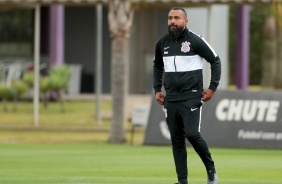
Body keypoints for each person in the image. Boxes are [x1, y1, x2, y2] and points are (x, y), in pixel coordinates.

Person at [153, 7, 221, 184]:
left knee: (192, 134)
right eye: (169, 18)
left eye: (176, 18)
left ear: (185, 21)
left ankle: (211, 169)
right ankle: (182, 181)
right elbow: (157, 67)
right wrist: (157, 89)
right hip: (171, 98)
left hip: (191, 96)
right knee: (176, 141)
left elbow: (215, 60)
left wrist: (212, 87)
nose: (172, 21)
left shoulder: (195, 41)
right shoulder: (162, 43)